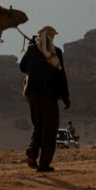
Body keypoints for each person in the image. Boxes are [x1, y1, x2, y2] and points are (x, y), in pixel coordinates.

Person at [20, 25, 70, 172]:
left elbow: (23, 68)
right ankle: (44, 164)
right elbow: (61, 77)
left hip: (32, 96)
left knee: (39, 126)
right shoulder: (56, 52)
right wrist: (66, 98)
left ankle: (32, 153)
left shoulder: (32, 50)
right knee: (50, 128)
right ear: (51, 36)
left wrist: (30, 49)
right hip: (48, 96)